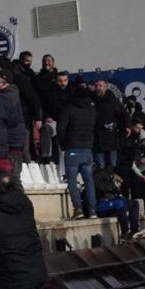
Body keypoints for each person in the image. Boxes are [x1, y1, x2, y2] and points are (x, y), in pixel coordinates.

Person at [58, 83, 98, 219]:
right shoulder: (92, 110)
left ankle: (78, 209)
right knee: (89, 181)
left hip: (72, 149)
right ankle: (92, 210)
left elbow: (61, 128)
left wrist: (63, 144)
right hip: (87, 149)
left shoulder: (69, 109)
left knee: (72, 180)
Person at [92, 79, 128, 169]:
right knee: (100, 167)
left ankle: (112, 182)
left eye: (100, 86)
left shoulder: (113, 100)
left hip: (111, 139)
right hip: (97, 140)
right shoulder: (91, 100)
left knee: (112, 167)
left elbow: (124, 115)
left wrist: (127, 127)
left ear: (105, 87)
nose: (98, 88)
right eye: (96, 86)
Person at [95, 168, 140, 239]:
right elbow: (102, 186)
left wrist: (118, 189)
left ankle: (134, 231)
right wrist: (114, 184)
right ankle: (125, 232)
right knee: (120, 203)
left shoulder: (114, 180)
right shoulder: (98, 176)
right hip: (101, 205)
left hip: (113, 204)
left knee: (134, 203)